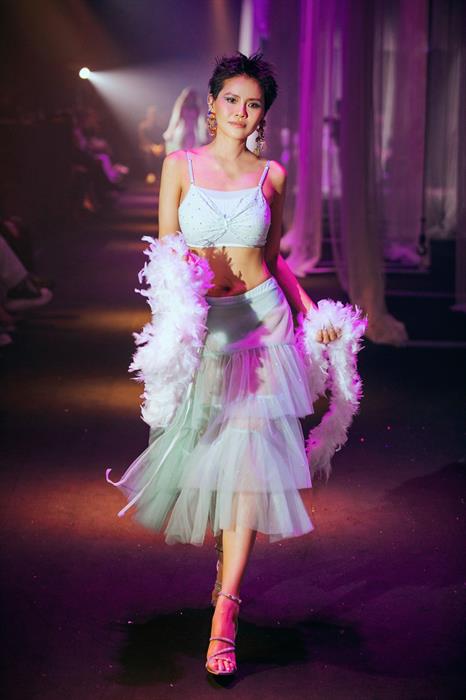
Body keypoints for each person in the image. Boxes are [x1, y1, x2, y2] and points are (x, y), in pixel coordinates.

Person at [107, 52, 340, 677]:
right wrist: (171, 335)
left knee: (248, 469)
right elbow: (166, 257)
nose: (241, 112)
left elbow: (275, 256)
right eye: (232, 100)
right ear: (212, 104)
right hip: (205, 331)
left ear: (264, 114)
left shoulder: (272, 175)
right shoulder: (179, 166)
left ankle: (226, 612)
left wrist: (311, 308)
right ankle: (224, 571)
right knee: (211, 457)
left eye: (253, 104)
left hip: (263, 325)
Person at [163, 88, 208, 155]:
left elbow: (201, 122)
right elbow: (175, 120)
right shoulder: (182, 107)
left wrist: (203, 134)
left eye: (192, 97)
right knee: (182, 151)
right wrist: (170, 131)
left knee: (191, 152)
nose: (191, 99)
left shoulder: (197, 108)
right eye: (189, 96)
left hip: (193, 133)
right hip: (182, 132)